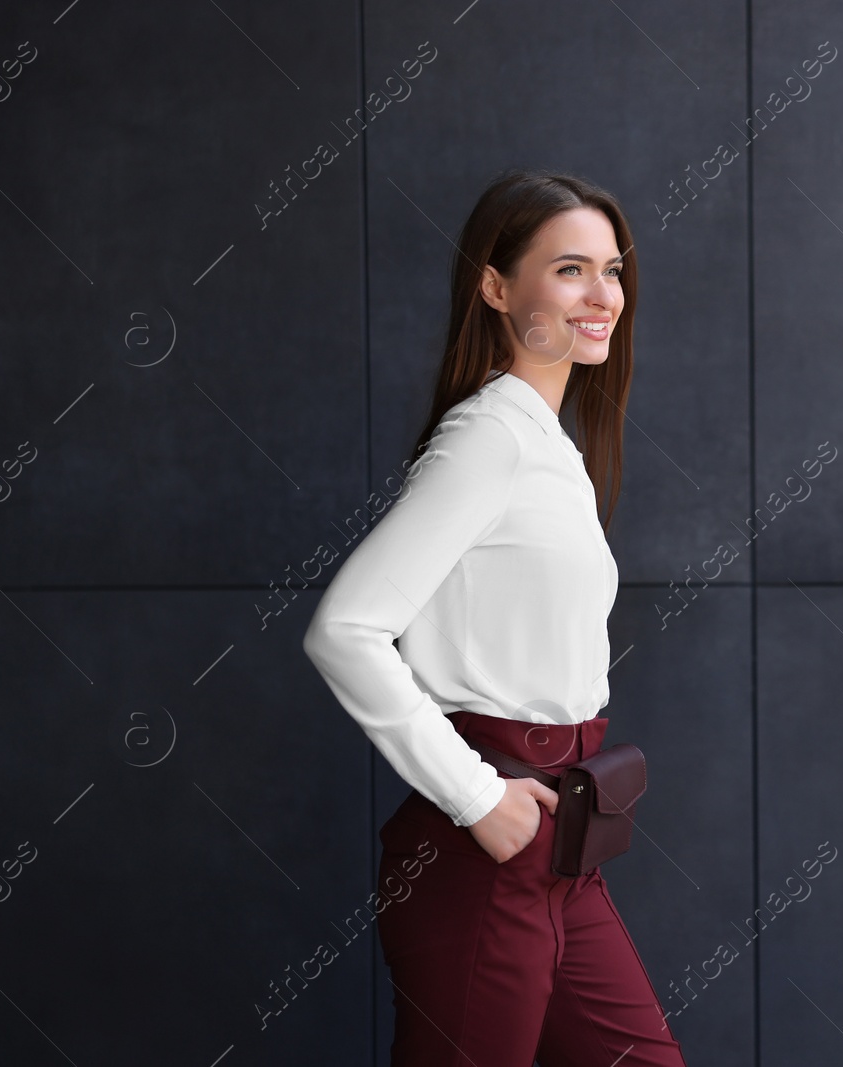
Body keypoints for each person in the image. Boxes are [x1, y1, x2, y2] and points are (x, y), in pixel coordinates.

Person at [302, 170, 687, 1067]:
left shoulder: (550, 444)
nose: (603, 297)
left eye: (613, 270)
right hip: (485, 850)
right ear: (494, 285)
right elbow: (346, 629)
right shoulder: (490, 437)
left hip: (564, 851)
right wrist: (480, 800)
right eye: (569, 270)